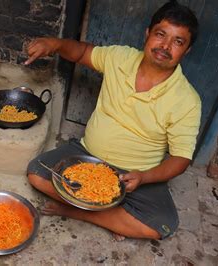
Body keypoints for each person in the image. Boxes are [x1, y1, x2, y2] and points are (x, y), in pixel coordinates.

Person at [25, 1, 201, 240]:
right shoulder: (121, 57)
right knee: (37, 173)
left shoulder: (187, 100)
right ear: (148, 34)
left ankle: (82, 212)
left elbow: (181, 159)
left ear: (187, 50)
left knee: (162, 225)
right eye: (161, 35)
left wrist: (144, 177)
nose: (166, 46)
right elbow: (82, 52)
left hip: (135, 175)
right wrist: (54, 44)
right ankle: (113, 217)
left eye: (178, 42)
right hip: (87, 156)